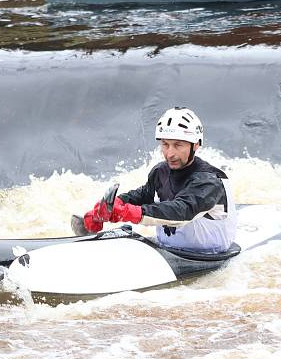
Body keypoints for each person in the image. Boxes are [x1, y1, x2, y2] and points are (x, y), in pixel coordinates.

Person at [83, 106, 237, 253]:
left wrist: (130, 213)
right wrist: (114, 205)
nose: (169, 153)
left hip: (210, 254)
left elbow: (182, 210)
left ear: (195, 145)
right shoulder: (160, 171)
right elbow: (143, 195)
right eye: (165, 144)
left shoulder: (210, 181)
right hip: (168, 248)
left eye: (178, 145)